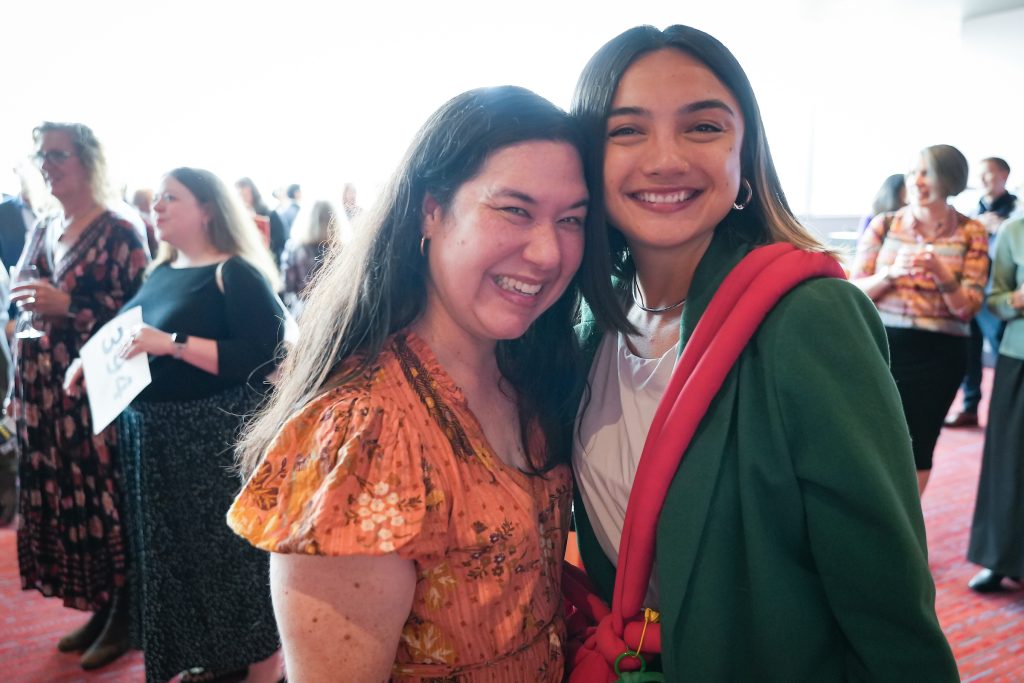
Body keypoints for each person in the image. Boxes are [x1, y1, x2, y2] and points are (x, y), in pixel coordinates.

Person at [570, 25, 958, 681]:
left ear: (744, 157)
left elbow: (887, 602)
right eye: (626, 130)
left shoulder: (806, 318)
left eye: (703, 127)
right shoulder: (591, 319)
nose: (665, 158)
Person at [228, 85, 590, 682]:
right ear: (430, 210)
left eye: (571, 219)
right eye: (515, 210)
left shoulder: (529, 371)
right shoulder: (366, 428)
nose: (549, 252)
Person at [68, 167, 286, 683]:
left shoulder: (234, 273)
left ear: (208, 208)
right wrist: (86, 360)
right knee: (181, 561)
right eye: (158, 197)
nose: (158, 206)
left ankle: (262, 669)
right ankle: (211, 658)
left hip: (212, 440)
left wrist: (172, 345)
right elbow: (124, 330)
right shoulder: (164, 270)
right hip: (157, 442)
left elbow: (266, 357)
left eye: (172, 197)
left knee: (232, 560)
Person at [11, 121, 149, 669]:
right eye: (41, 155)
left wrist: (68, 306)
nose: (47, 164)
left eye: (58, 154)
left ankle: (126, 614)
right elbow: (22, 293)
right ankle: (101, 606)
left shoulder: (121, 227)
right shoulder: (46, 222)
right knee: (71, 499)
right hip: (45, 395)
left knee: (105, 502)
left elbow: (141, 316)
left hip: (98, 393)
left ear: (88, 159)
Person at [853, 145, 989, 494]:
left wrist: (942, 274)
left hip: (940, 353)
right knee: (866, 440)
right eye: (914, 172)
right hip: (879, 345)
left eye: (926, 172)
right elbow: (855, 291)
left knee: (919, 443)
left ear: (949, 180)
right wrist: (890, 274)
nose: (916, 181)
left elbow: (967, 309)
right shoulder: (885, 224)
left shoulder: (972, 231)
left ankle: (903, 535)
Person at [966, 215, 1024, 592]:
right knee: (1008, 462)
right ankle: (998, 558)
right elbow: (994, 300)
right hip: (1018, 357)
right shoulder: (1015, 230)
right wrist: (1017, 300)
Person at [946, 156, 1017, 428]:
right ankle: (969, 406)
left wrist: (999, 228)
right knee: (968, 351)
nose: (983, 180)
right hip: (969, 289)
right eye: (981, 175)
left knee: (1002, 354)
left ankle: (1004, 413)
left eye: (989, 174)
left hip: (998, 291)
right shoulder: (970, 212)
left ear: (1004, 175)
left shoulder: (1016, 213)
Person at [280, 198, 339, 317]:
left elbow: (288, 285)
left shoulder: (294, 248)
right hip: (336, 314)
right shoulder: (342, 249)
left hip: (303, 313)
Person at [236, 176, 287, 266]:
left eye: (244, 194)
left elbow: (281, 240)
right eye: (239, 194)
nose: (242, 197)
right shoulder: (238, 216)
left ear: (252, 192)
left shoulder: (269, 213)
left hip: (270, 261)